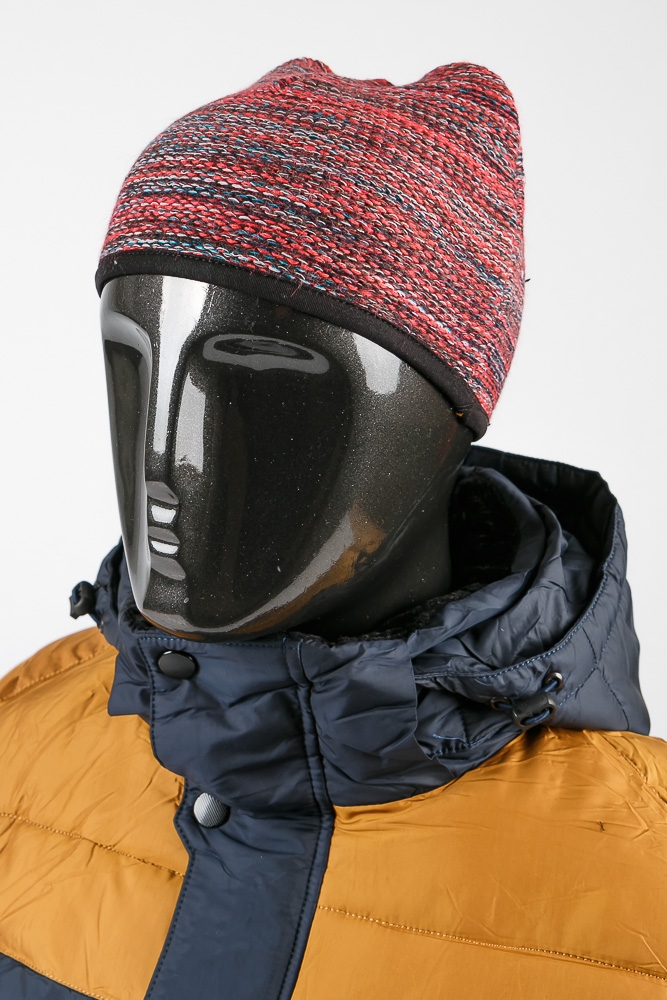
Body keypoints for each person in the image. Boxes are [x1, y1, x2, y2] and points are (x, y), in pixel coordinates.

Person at [1, 58, 666, 1000]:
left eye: (264, 378)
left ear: (445, 423)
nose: (166, 459)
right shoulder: (19, 743)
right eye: (130, 363)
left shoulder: (638, 889)